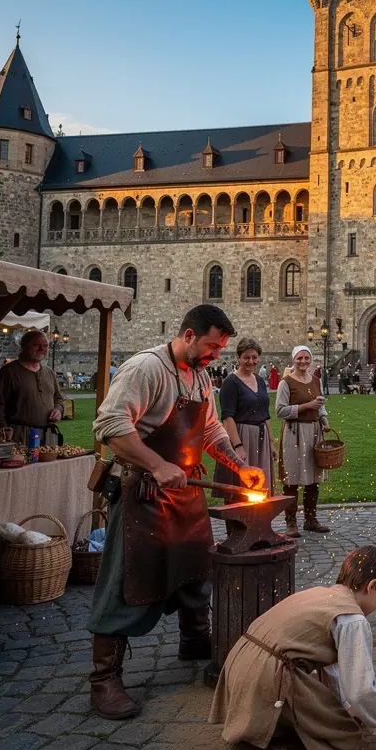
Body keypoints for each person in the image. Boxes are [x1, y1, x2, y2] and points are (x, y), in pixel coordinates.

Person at [87, 305, 266, 720]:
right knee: (128, 581)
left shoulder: (200, 376)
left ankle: (195, 639)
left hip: (184, 490)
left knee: (195, 567)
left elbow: (209, 430)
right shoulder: (146, 369)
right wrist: (156, 465)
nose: (216, 356)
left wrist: (241, 466)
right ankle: (103, 679)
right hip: (143, 493)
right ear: (188, 335)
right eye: (211, 346)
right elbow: (110, 425)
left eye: (221, 349)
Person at [200, 546, 376, 750]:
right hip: (268, 676)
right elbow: (360, 688)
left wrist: (342, 709)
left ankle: (270, 731)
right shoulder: (352, 619)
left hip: (240, 666)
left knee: (330, 720)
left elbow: (335, 670)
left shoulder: (319, 595)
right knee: (345, 742)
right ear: (371, 585)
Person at [276, 345, 330, 537]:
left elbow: (321, 406)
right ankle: (291, 522)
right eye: (299, 358)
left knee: (313, 478)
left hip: (314, 431)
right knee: (291, 478)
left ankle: (310, 519)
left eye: (306, 358)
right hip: (294, 432)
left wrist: (325, 422)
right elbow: (280, 410)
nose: (303, 362)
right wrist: (306, 406)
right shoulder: (286, 382)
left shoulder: (316, 380)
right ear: (294, 359)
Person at [215, 338, 274, 500]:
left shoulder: (260, 381)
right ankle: (237, 525)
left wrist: (271, 442)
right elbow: (227, 417)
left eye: (254, 357)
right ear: (239, 358)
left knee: (260, 485)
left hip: (261, 438)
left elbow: (265, 414)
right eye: (246, 357)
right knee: (240, 486)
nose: (251, 361)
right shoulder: (231, 383)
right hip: (241, 435)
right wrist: (238, 446)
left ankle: (258, 523)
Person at [0, 329, 65, 446]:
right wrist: (3, 427)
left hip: (47, 435)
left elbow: (58, 398)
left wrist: (58, 409)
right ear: (24, 346)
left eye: (45, 346)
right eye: (37, 345)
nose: (42, 349)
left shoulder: (49, 373)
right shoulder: (9, 372)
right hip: (18, 435)